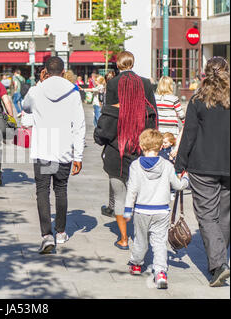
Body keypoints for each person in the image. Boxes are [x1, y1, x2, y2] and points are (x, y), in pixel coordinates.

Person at [174, 56, 230, 287]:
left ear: (205, 73)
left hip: (202, 165)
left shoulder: (197, 100)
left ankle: (218, 263)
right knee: (225, 215)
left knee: (207, 214)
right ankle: (219, 258)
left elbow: (189, 136)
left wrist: (179, 164)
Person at [94, 51, 158, 250]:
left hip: (118, 148)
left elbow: (109, 114)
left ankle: (123, 238)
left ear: (118, 65)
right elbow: (153, 114)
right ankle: (141, 237)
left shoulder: (112, 84)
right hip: (141, 150)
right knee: (141, 197)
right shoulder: (146, 83)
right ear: (132, 62)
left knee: (120, 196)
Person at [22, 56, 86, 254]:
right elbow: (79, 125)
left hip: (43, 149)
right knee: (61, 190)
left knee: (42, 191)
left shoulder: (36, 90)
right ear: (64, 70)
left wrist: (39, 83)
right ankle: (60, 232)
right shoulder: (73, 92)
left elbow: (25, 107)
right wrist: (79, 156)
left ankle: (46, 235)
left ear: (45, 71)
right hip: (64, 149)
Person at [124, 129, 189, 289]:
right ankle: (160, 273)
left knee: (140, 239)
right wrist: (186, 179)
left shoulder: (135, 166)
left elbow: (132, 189)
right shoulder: (167, 165)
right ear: (160, 147)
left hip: (141, 210)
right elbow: (178, 185)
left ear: (141, 145)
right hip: (161, 210)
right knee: (159, 243)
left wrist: (127, 209)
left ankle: (136, 264)